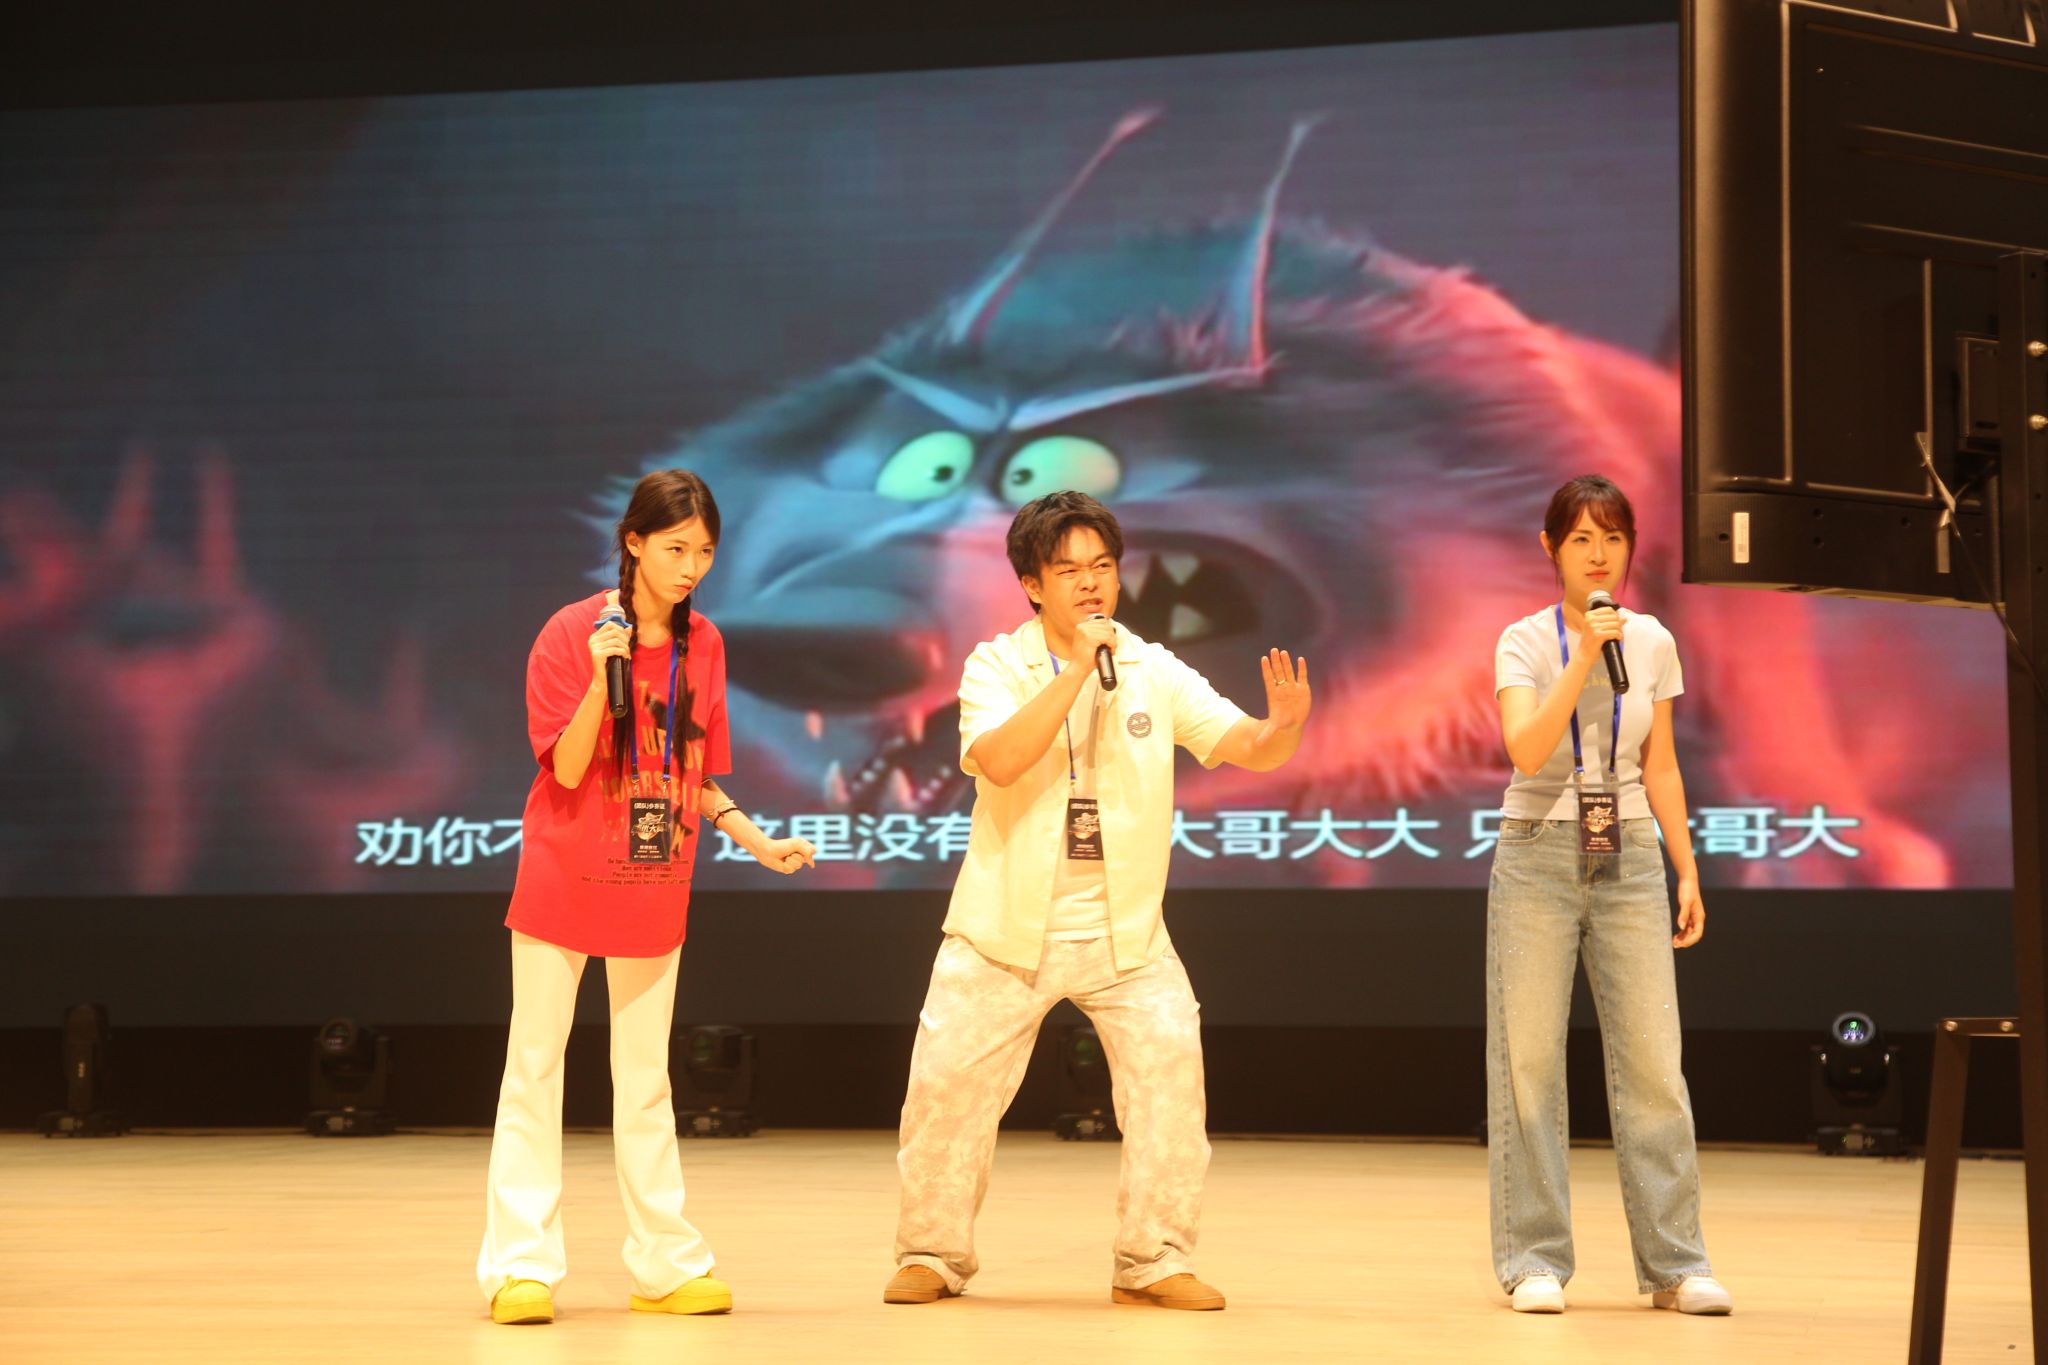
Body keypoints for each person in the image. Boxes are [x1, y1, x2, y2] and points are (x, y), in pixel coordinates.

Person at [883, 489, 1314, 1311]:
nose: (1091, 584)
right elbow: (1000, 760)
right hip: (1003, 929)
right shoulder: (996, 666)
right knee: (945, 1091)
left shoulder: (1151, 668)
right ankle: (932, 1252)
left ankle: (1153, 1258)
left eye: (1104, 566)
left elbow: (1246, 744)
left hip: (1126, 933)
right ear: (1032, 584)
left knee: (1170, 1083)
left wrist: (1282, 725)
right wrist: (1078, 669)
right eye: (1069, 570)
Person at [477, 468, 816, 1325]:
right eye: (675, 548)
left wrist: (758, 840)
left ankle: (665, 1264)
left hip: (654, 879)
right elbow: (565, 767)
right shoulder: (571, 632)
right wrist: (604, 676)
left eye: (704, 551)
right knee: (534, 1070)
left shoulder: (708, 644)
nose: (691, 567)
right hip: (563, 875)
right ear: (633, 543)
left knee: (645, 1080)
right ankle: (520, 1266)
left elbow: (694, 773)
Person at [1486, 474, 1732, 1316]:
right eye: (1583, 539)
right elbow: (1526, 749)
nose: (1600, 555)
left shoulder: (1652, 640)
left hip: (1629, 854)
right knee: (1529, 1063)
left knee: (1654, 1062)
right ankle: (1534, 1259)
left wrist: (1685, 864)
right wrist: (1583, 656)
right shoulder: (1523, 640)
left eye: (1615, 538)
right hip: (1537, 854)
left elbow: (1660, 764)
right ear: (1550, 548)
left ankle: (1676, 1263)